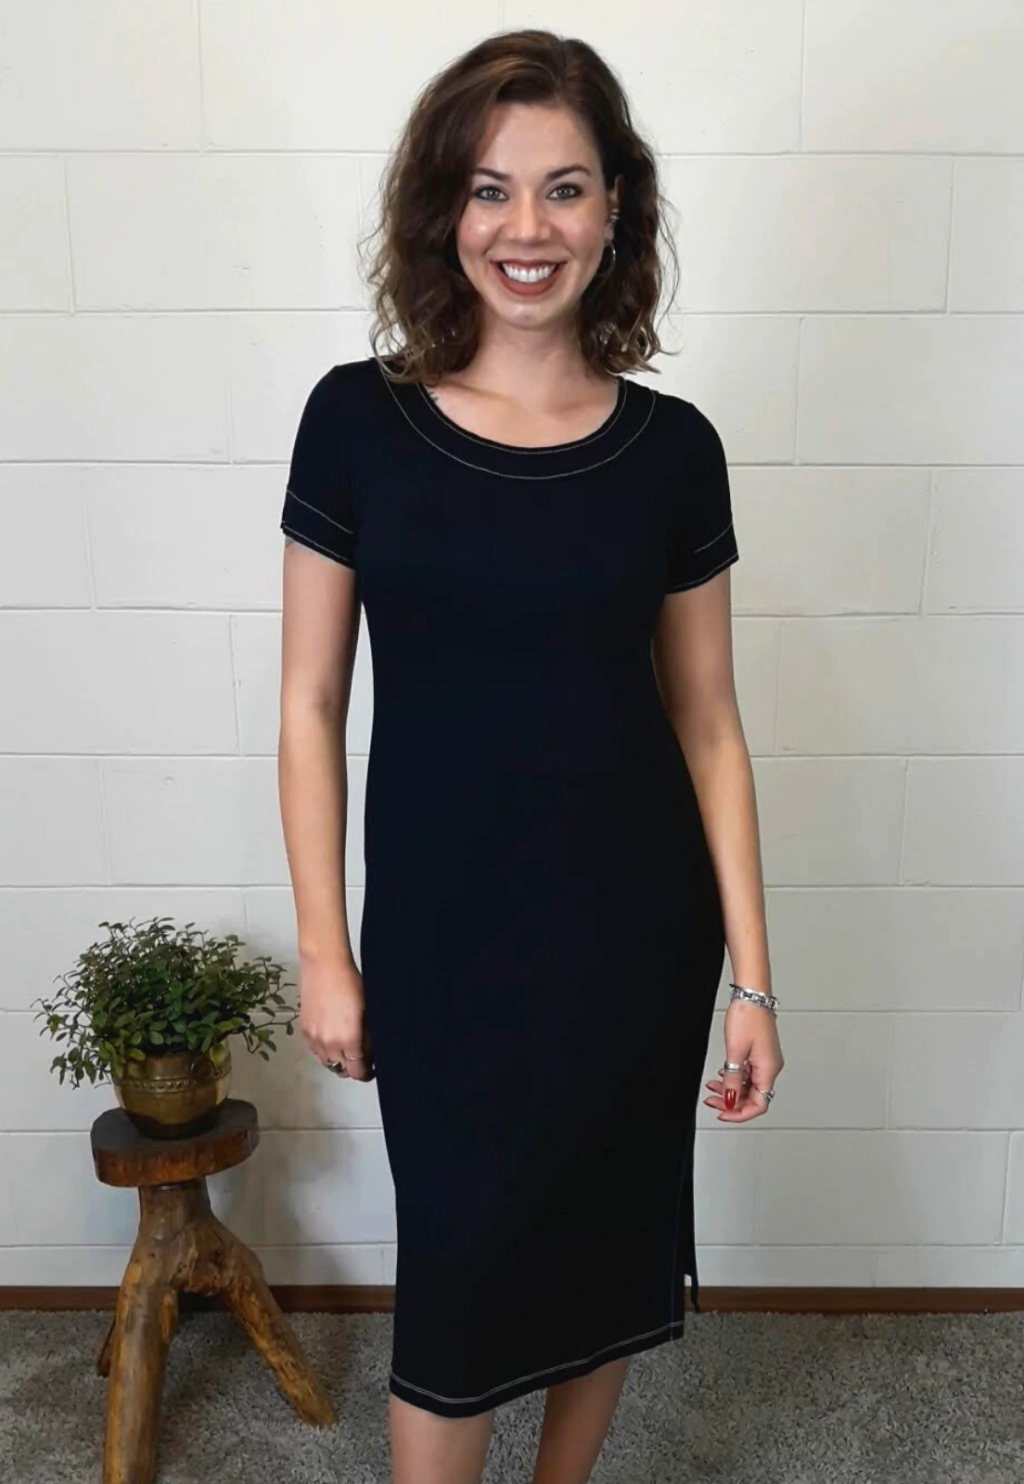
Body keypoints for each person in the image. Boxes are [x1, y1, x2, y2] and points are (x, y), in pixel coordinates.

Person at [277, 27, 784, 1484]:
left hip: (635, 935)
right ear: (444, 208)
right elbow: (310, 701)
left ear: (616, 209)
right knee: (459, 1274)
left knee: (605, 1243)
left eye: (565, 189)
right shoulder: (358, 421)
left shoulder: (673, 450)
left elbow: (710, 723)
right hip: (442, 942)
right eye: (491, 189)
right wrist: (326, 952)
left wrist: (753, 978)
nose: (528, 227)